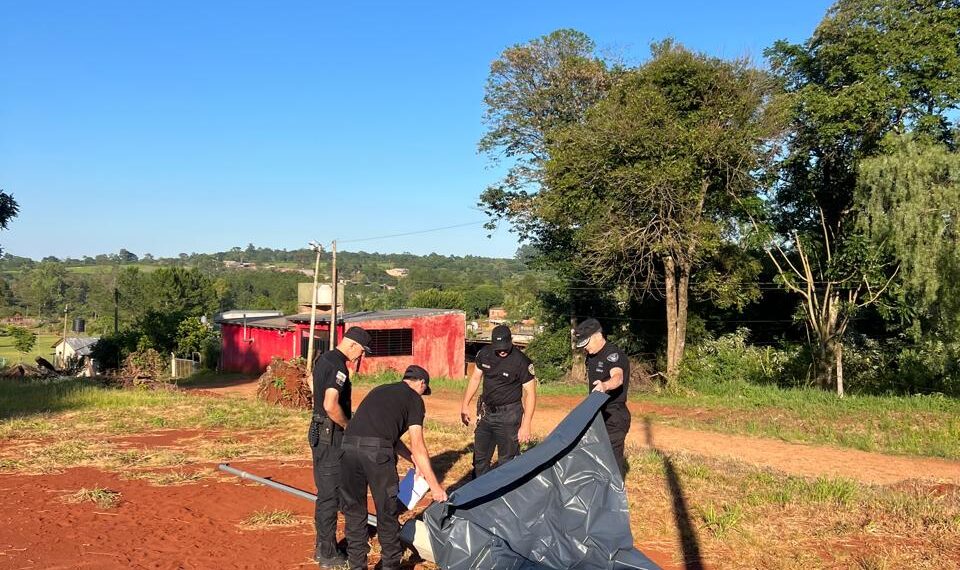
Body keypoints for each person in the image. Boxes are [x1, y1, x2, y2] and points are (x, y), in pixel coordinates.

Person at [339, 364, 447, 570]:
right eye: (425, 390)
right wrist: (435, 487)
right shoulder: (414, 399)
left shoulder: (380, 389)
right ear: (422, 384)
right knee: (387, 512)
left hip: (348, 448)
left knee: (354, 512)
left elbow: (385, 432)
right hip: (377, 455)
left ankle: (356, 565)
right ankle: (390, 565)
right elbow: (418, 444)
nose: (424, 395)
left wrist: (410, 458)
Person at [307, 326, 371, 569]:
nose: (360, 357)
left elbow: (315, 391)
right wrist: (348, 425)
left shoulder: (324, 359)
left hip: (319, 430)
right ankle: (328, 554)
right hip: (330, 435)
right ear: (353, 345)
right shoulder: (339, 366)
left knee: (327, 492)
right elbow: (331, 404)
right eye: (361, 351)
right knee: (329, 496)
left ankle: (323, 547)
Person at [460, 324, 537, 478]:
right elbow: (475, 378)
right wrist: (465, 404)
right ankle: (478, 496)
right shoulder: (484, 354)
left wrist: (526, 423)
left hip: (509, 416)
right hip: (487, 413)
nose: (502, 350)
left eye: (505, 347)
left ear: (511, 341)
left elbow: (531, 394)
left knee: (507, 462)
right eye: (498, 347)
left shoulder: (521, 361)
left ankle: (503, 498)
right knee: (479, 460)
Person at [573, 318, 631, 480]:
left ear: (597, 336)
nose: (585, 348)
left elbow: (618, 377)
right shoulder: (592, 356)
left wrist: (605, 386)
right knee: (594, 456)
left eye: (586, 343)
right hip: (597, 414)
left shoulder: (613, 355)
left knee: (611, 459)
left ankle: (615, 494)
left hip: (614, 416)